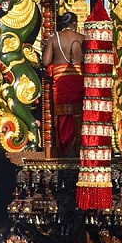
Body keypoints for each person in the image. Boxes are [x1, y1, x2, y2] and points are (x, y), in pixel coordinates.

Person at [41, 12, 85, 157]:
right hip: (78, 79)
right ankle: (78, 147)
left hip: (61, 82)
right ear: (74, 23)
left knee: (61, 114)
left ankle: (62, 147)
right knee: (79, 113)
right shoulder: (82, 38)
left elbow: (46, 62)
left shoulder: (55, 38)